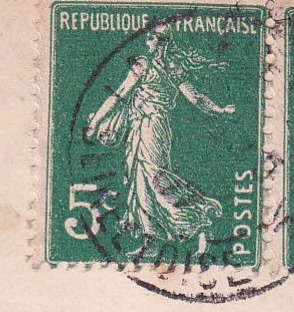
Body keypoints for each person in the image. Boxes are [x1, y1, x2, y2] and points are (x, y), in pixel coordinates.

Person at [84, 27, 236, 246]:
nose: (147, 41)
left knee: (152, 176)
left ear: (163, 42)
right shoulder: (150, 66)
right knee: (139, 177)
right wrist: (95, 121)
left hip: (152, 126)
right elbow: (119, 95)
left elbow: (195, 98)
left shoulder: (166, 67)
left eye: (152, 37)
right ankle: (151, 235)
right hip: (140, 126)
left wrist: (219, 110)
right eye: (148, 37)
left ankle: (190, 219)